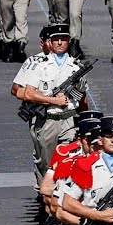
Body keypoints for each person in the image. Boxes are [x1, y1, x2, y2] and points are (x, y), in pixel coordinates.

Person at [14, 24, 90, 178]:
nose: (60, 43)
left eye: (63, 39)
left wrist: (85, 119)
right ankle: (46, 190)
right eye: (56, 39)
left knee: (69, 161)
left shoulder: (77, 67)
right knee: (47, 165)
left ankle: (62, 191)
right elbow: (27, 93)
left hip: (69, 121)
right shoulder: (39, 65)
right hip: (48, 121)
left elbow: (82, 96)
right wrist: (53, 100)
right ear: (50, 42)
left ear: (69, 41)